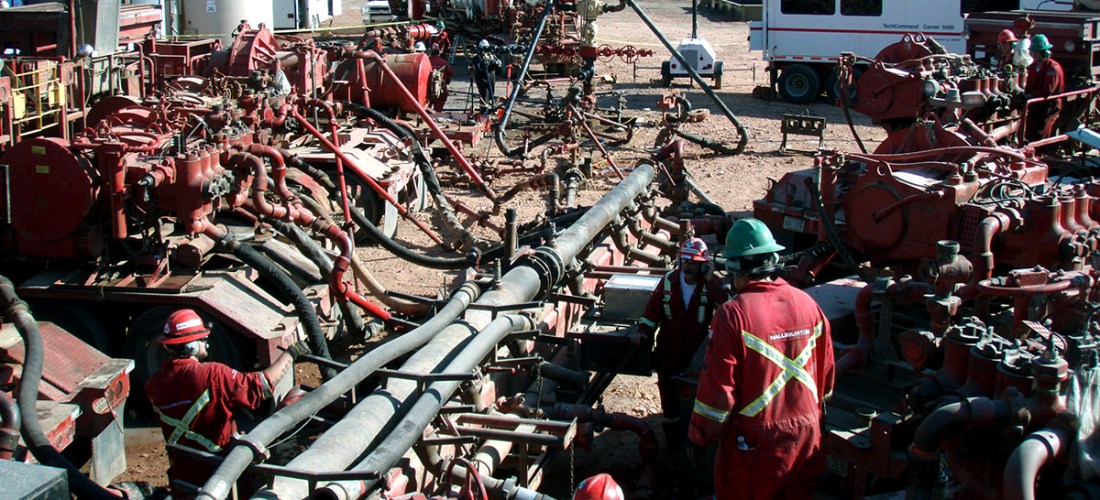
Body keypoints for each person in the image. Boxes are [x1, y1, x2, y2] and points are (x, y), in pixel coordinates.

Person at [688, 219, 834, 500]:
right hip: (807, 438)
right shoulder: (809, 304)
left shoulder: (733, 314)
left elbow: (718, 393)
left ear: (734, 266)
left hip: (755, 446)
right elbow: (826, 378)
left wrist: (699, 436)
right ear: (774, 259)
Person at [145, 308, 310, 495]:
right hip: (223, 479)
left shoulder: (153, 384)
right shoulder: (212, 374)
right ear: (191, 346)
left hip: (184, 481)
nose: (206, 343)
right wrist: (291, 352)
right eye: (202, 339)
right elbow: (261, 386)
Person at [630, 237, 728, 450]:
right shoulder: (668, 281)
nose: (688, 267)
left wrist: (711, 280)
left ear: (704, 265)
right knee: (668, 399)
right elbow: (651, 313)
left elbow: (728, 308)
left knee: (696, 399)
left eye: (693, 262)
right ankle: (673, 444)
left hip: (696, 357)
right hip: (668, 353)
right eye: (685, 261)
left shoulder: (711, 284)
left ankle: (695, 443)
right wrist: (642, 331)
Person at [1024, 33, 1065, 141]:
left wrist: (1030, 96)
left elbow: (1048, 90)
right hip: (1035, 104)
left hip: (1049, 105)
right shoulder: (1032, 67)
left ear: (1045, 52)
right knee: (1029, 130)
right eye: (1033, 52)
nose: (1034, 55)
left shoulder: (1053, 68)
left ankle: (1040, 150)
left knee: (1041, 132)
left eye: (1037, 52)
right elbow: (1028, 85)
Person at [471, 39, 501, 112]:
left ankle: (490, 108)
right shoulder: (477, 57)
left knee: (491, 93)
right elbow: (478, 67)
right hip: (482, 78)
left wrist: (493, 62)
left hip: (491, 77)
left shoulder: (491, 55)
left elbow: (499, 64)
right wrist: (484, 62)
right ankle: (484, 110)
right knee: (484, 94)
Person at [428, 43, 453, 113]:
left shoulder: (426, 62)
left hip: (427, 92)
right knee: (438, 112)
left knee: (426, 111)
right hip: (441, 91)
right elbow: (450, 73)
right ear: (438, 52)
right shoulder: (444, 63)